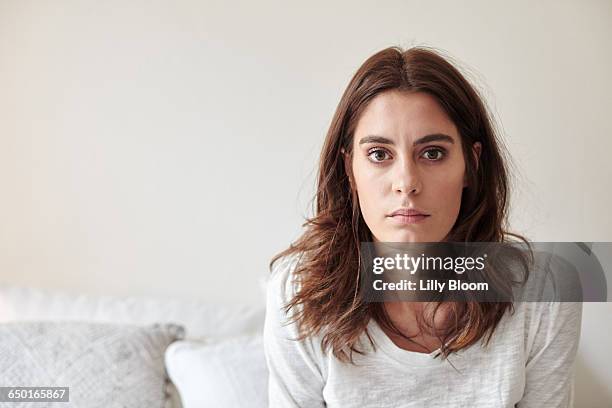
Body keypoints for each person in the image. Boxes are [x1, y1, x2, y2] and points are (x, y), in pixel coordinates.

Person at [263, 46, 582, 407]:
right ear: (350, 170)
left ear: (470, 164)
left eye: (432, 153)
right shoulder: (297, 292)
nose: (407, 183)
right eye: (379, 155)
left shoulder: (547, 288)